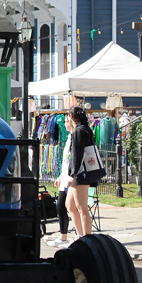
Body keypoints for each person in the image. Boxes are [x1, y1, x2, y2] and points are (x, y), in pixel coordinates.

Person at [64, 106, 94, 238]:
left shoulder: (79, 132)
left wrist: (73, 174)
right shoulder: (84, 129)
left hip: (81, 173)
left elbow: (77, 154)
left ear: (71, 117)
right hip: (81, 172)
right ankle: (80, 235)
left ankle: (86, 237)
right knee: (70, 205)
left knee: (81, 206)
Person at [46, 118, 74, 248]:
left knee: (70, 207)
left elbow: (74, 160)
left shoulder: (75, 137)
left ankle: (79, 235)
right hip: (65, 177)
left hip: (71, 179)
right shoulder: (69, 137)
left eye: (66, 121)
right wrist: (61, 176)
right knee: (60, 206)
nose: (64, 124)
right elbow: (66, 161)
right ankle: (63, 236)